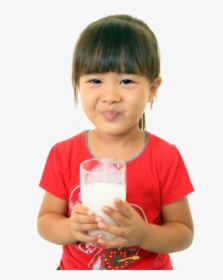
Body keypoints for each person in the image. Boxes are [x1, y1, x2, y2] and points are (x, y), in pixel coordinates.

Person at [37, 14, 194, 270]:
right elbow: (45, 222)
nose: (110, 96)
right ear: (78, 84)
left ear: (153, 88)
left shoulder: (164, 157)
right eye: (95, 81)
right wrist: (71, 228)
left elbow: (184, 233)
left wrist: (142, 234)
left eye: (126, 81)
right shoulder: (62, 154)